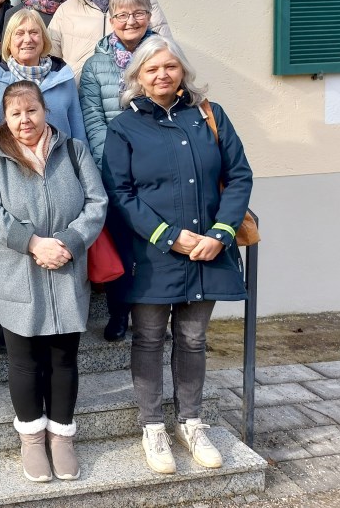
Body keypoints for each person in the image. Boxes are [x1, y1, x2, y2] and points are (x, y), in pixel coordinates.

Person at [102, 35, 252, 475]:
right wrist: (168, 236)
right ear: (137, 77)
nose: (162, 75)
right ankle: (152, 427)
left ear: (182, 70)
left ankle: (191, 422)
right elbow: (119, 193)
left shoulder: (209, 115)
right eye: (151, 69)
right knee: (149, 339)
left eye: (170, 66)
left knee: (193, 339)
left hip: (209, 250)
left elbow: (239, 176)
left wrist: (221, 233)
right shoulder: (124, 127)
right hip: (152, 255)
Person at [0, 80, 107, 483]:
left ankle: (61, 436)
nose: (24, 120)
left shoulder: (74, 150)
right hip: (18, 271)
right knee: (25, 360)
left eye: (31, 110)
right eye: (15, 113)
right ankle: (31, 437)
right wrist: (33, 244)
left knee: (64, 358)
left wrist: (66, 243)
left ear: (45, 110)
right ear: (5, 117)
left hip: (65, 266)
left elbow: (97, 203)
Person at [78, 0, 156, 342]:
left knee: (153, 247)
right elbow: (93, 121)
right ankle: (119, 313)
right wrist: (113, 166)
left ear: (149, 17)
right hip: (114, 172)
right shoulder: (95, 65)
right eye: (122, 15)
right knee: (121, 247)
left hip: (155, 171)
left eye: (137, 13)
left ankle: (152, 316)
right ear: (111, 20)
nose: (130, 21)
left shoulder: (162, 57)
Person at [0, 8, 86, 141]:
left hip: (61, 154)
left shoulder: (64, 78)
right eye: (19, 33)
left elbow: (78, 132)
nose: (28, 39)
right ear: (8, 42)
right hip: (10, 154)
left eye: (34, 32)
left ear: (44, 39)